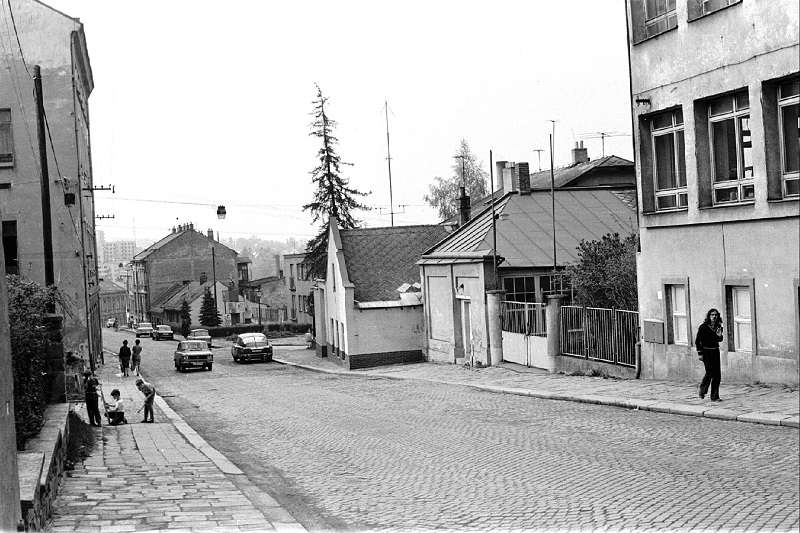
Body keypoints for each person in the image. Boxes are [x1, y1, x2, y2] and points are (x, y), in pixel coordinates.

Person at [696, 308, 724, 402]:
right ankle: (702, 390)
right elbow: (697, 341)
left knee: (717, 375)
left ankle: (715, 397)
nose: (714, 316)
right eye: (712, 315)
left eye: (716, 315)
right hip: (706, 352)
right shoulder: (703, 327)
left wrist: (719, 335)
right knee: (709, 372)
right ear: (709, 316)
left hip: (715, 351)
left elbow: (719, 340)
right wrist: (700, 353)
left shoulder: (718, 326)